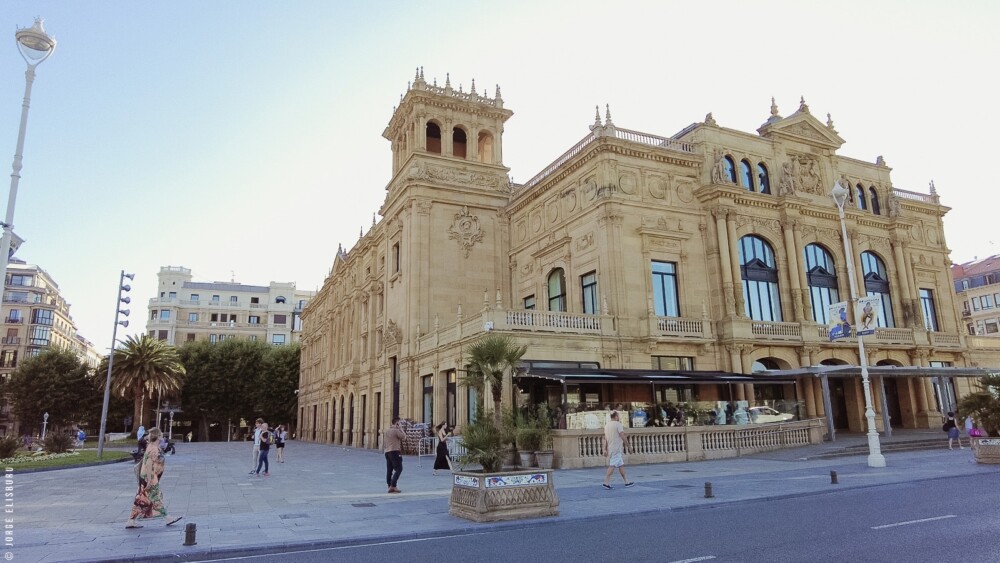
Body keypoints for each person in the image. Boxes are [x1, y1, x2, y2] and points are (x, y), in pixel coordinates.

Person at [125, 428, 182, 529]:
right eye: (161, 435)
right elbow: (148, 464)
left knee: (141, 499)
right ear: (158, 436)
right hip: (150, 477)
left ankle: (131, 520)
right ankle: (168, 518)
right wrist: (150, 480)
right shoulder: (153, 449)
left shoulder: (152, 446)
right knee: (155, 497)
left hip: (147, 477)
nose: (162, 436)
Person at [602, 411, 634, 490]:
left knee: (620, 465)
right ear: (616, 416)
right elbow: (622, 436)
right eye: (618, 416)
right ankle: (606, 482)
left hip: (611, 448)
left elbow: (605, 438)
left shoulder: (607, 425)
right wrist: (629, 446)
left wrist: (605, 449)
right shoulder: (618, 424)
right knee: (612, 465)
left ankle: (626, 481)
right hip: (616, 448)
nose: (619, 417)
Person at [384, 417, 406, 493]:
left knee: (389, 470)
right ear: (397, 423)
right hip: (395, 452)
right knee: (399, 468)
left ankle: (389, 485)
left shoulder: (387, 431)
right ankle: (393, 485)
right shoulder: (396, 430)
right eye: (400, 423)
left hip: (387, 452)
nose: (401, 424)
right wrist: (401, 429)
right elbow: (404, 437)